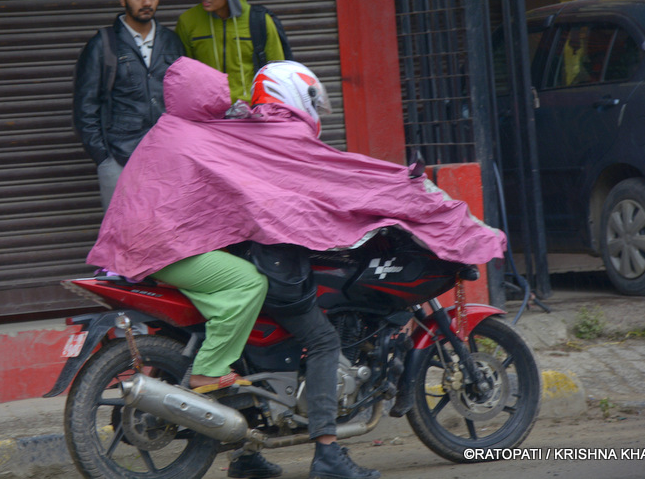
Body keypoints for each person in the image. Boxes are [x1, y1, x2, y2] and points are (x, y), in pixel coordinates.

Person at [89, 57, 506, 479]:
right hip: (168, 248)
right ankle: (326, 452)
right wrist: (399, 189)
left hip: (155, 244)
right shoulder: (269, 133)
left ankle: (245, 456)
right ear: (295, 95)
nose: (226, 101)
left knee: (254, 351)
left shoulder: (201, 129)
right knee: (318, 336)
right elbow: (336, 177)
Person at [73, 0, 184, 210]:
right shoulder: (103, 45)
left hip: (167, 159)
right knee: (123, 240)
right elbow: (85, 108)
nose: (147, 2)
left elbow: (183, 100)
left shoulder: (171, 42)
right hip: (120, 159)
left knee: (168, 235)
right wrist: (104, 159)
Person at [175, 0, 285, 103]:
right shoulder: (188, 21)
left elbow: (278, 72)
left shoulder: (260, 21)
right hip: (207, 114)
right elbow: (182, 74)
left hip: (252, 113)